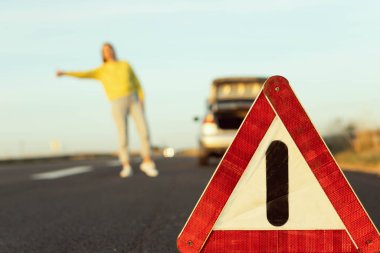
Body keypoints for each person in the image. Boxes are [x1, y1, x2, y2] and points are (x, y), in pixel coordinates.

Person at [56, 43, 158, 178]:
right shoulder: (101, 70)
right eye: (105, 51)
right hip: (117, 101)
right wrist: (65, 73)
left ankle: (147, 162)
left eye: (110, 49)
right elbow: (83, 74)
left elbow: (137, 83)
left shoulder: (125, 64)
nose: (108, 52)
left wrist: (142, 99)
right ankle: (126, 165)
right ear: (102, 55)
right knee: (123, 134)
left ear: (114, 51)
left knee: (144, 130)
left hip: (134, 99)